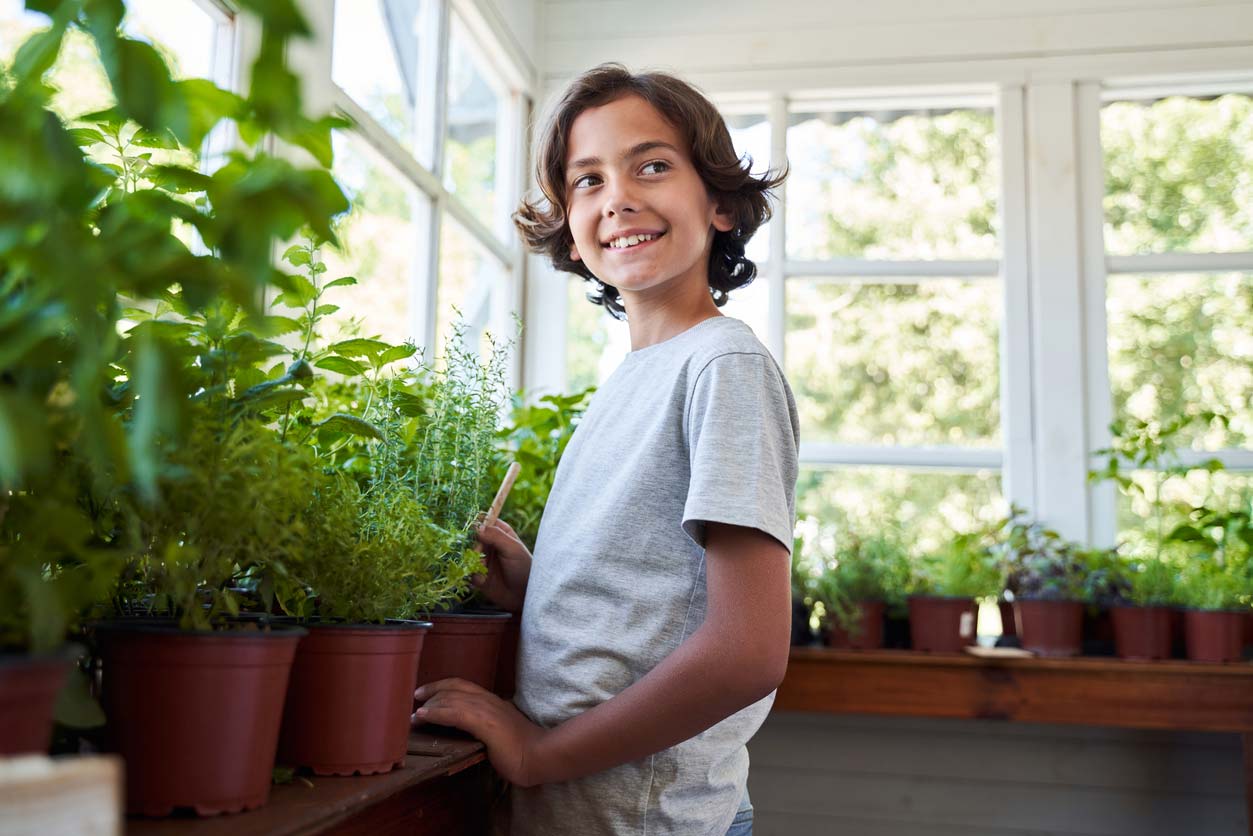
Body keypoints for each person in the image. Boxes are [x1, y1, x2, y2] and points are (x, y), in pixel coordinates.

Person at [412, 63, 799, 836]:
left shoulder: (723, 366)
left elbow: (746, 652)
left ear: (719, 202)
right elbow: (655, 603)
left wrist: (536, 754)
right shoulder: (627, 381)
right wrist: (536, 585)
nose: (616, 196)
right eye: (585, 180)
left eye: (650, 165)